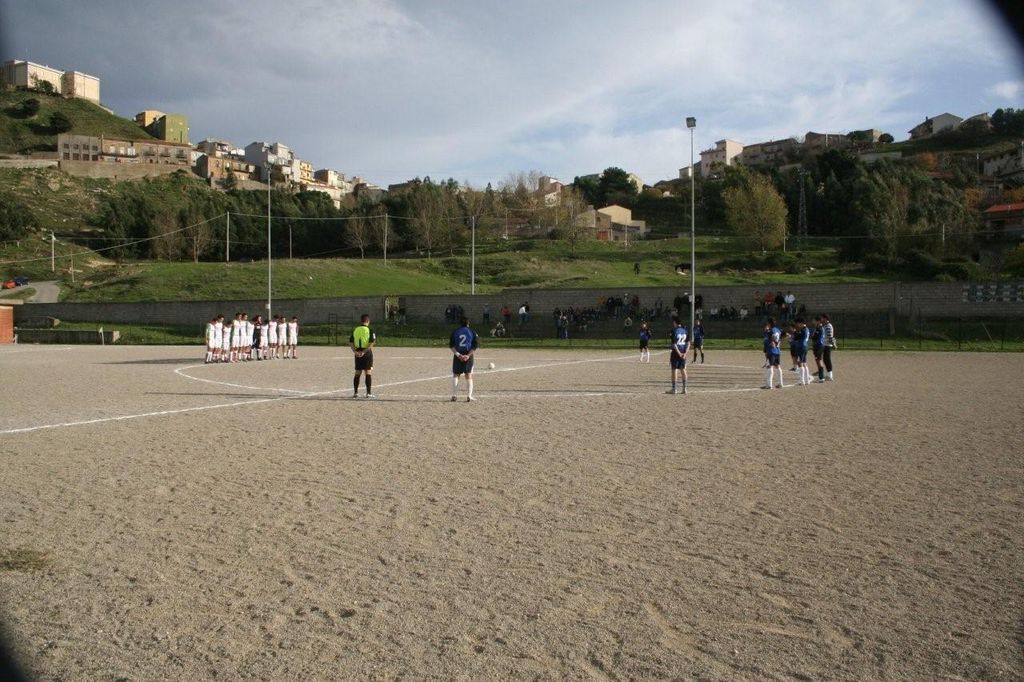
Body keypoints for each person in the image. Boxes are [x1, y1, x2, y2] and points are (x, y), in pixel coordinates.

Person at [449, 316, 478, 402]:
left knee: (456, 374)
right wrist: (468, 356)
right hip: (468, 354)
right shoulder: (472, 332)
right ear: (468, 323)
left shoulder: (455, 331)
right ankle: (469, 396)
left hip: (458, 354)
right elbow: (475, 346)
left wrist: (458, 355)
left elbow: (451, 345)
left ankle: (454, 395)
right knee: (468, 374)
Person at [350, 314, 377, 398]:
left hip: (357, 352)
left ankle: (355, 393)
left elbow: (351, 342)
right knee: (368, 372)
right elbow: (372, 342)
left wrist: (355, 351)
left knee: (357, 372)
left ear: (361, 321)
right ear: (368, 321)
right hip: (367, 352)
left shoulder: (356, 329)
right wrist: (364, 352)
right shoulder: (370, 330)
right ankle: (368, 393)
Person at [666, 316, 689, 394]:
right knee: (683, 369)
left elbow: (674, 344)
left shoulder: (674, 331)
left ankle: (674, 389)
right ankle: (685, 389)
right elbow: (688, 343)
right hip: (683, 352)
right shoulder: (685, 330)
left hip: (676, 352)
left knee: (674, 369)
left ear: (675, 322)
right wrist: (685, 353)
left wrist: (679, 353)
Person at [763, 317, 784, 389]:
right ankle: (780, 383)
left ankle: (769, 385)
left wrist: (767, 331)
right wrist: (778, 342)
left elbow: (770, 338)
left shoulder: (770, 331)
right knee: (778, 366)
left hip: (771, 351)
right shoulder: (778, 330)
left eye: (767, 323)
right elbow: (785, 335)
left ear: (769, 323)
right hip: (777, 351)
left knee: (770, 366)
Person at [792, 317, 811, 385]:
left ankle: (802, 380)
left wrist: (794, 333)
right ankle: (807, 380)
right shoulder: (806, 329)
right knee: (804, 362)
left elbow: (797, 337)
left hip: (801, 346)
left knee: (800, 363)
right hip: (805, 346)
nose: (797, 325)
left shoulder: (803, 330)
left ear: (801, 323)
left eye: (797, 323)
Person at [821, 313, 836, 381]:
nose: (821, 319)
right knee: (825, 359)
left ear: (825, 318)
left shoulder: (828, 326)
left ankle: (830, 375)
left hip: (827, 345)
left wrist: (833, 344)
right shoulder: (825, 326)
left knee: (827, 360)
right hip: (825, 344)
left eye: (822, 318)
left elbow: (830, 336)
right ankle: (828, 374)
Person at [811, 315, 826, 382]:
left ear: (818, 321)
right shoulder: (818, 328)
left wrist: (813, 336)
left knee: (819, 360)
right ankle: (820, 374)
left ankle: (821, 377)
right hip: (817, 346)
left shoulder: (819, 328)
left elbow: (815, 337)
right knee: (818, 360)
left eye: (814, 320)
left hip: (819, 346)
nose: (813, 322)